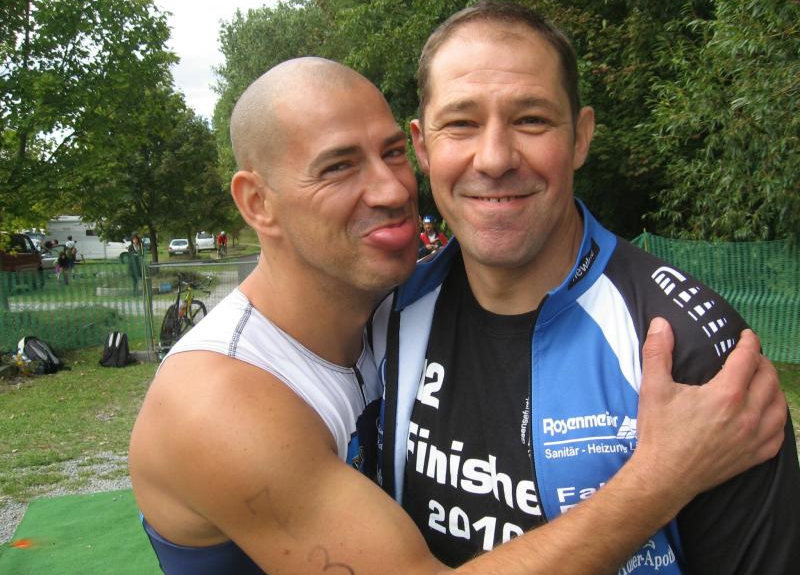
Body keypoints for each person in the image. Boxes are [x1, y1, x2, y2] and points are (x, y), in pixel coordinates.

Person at [128, 58, 786, 575]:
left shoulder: (394, 313)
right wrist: (662, 477)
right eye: (338, 167)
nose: (392, 189)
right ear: (257, 203)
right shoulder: (217, 401)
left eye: (392, 153)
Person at [374, 0, 800, 573]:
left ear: (580, 137)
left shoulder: (689, 349)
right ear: (423, 147)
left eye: (531, 120)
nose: (494, 159)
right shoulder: (383, 319)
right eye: (461, 123)